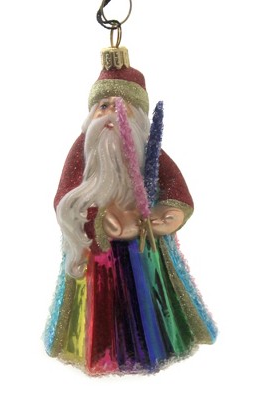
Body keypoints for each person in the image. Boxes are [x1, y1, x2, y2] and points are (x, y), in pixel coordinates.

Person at [44, 48, 217, 375]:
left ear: (137, 118)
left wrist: (168, 213)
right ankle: (100, 350)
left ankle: (156, 342)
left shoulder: (149, 151)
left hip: (146, 249)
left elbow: (176, 189)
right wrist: (96, 220)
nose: (111, 115)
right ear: (92, 114)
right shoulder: (82, 150)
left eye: (121, 107)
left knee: (149, 303)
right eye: (104, 106)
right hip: (96, 257)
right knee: (100, 306)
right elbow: (63, 199)